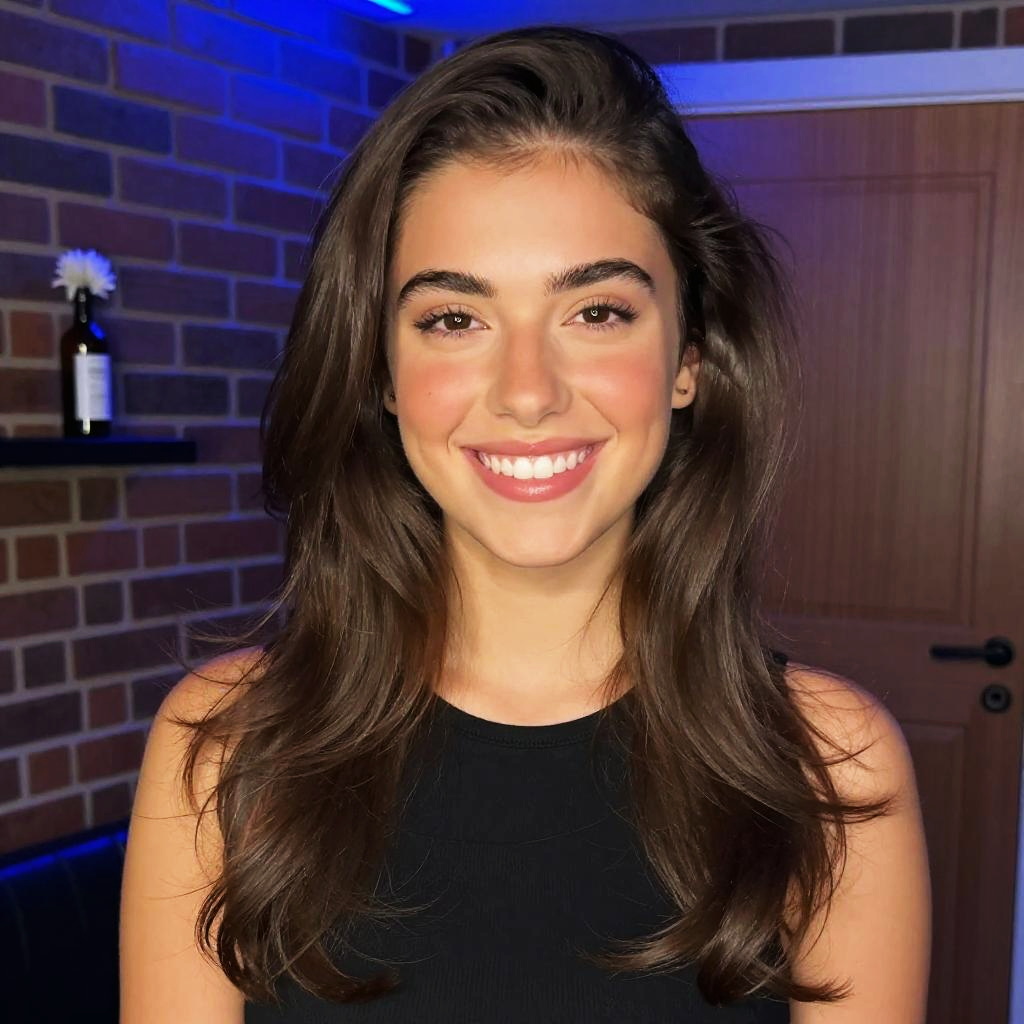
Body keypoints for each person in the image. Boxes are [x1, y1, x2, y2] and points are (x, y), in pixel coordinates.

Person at [119, 24, 931, 1024]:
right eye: (454, 319)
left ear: (689, 356)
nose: (528, 393)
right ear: (379, 369)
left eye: (596, 311)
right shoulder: (227, 747)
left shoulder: (826, 765)